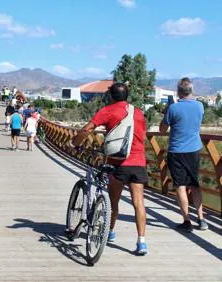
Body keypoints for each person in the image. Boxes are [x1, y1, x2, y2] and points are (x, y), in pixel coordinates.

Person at [71, 82, 148, 255]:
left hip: (117, 164)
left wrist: (74, 142)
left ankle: (110, 231)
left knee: (113, 203)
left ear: (111, 96)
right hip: (139, 162)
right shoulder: (138, 112)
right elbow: (141, 134)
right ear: (127, 96)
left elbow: (87, 129)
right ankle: (142, 242)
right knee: (139, 203)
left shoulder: (107, 110)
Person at [159, 77, 208, 231]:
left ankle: (187, 222)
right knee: (195, 185)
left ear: (179, 92)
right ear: (191, 91)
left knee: (180, 186)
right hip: (194, 150)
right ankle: (202, 220)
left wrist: (167, 110)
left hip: (177, 151)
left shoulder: (174, 108)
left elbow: (162, 130)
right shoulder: (200, 106)